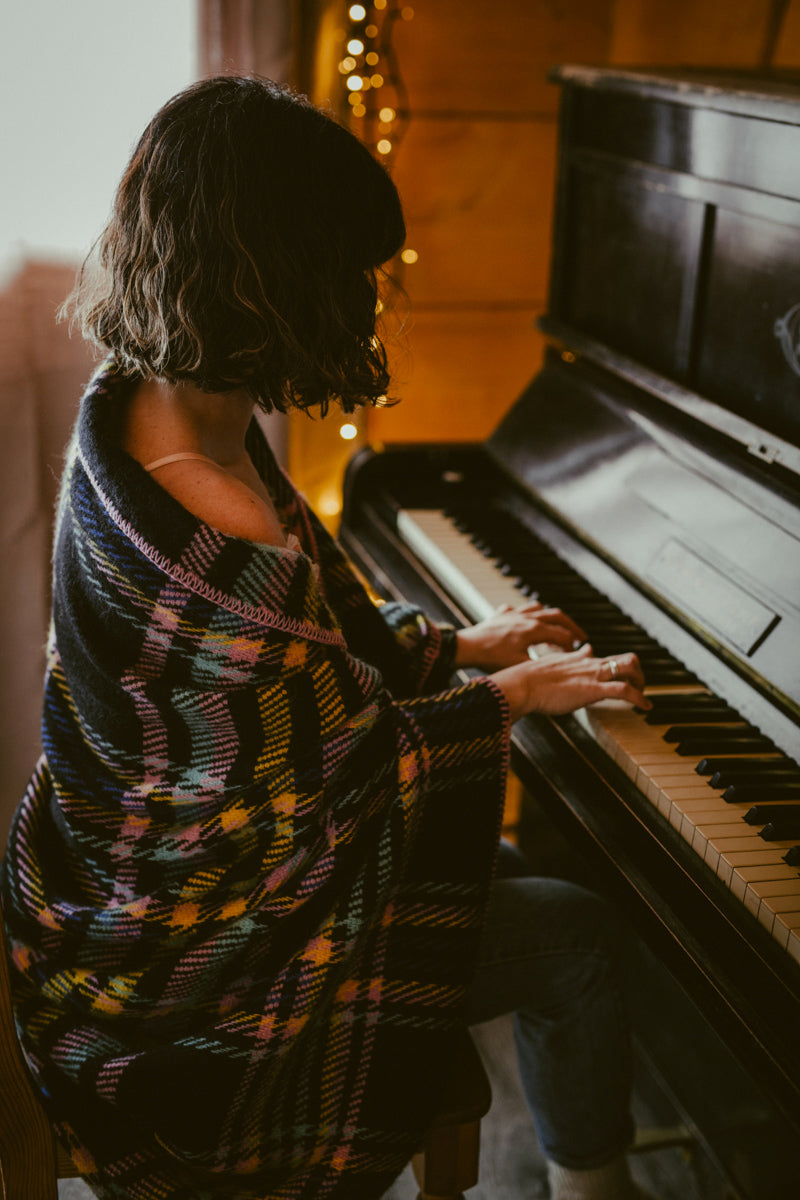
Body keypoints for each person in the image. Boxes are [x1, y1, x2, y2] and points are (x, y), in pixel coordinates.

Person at [0, 76, 654, 1200]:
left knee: (498, 874)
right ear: (283, 273)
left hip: (102, 893)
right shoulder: (222, 508)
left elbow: (297, 669)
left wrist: (452, 647)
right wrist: (514, 696)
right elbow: (342, 770)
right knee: (584, 935)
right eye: (353, 271)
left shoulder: (138, 401)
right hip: (202, 973)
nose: (368, 296)